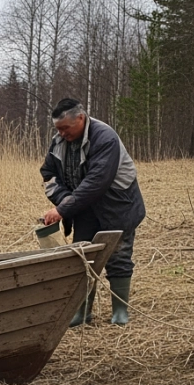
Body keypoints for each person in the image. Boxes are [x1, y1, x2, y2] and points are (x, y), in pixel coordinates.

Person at [41, 98, 146, 326]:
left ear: (81, 118)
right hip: (84, 208)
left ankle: (120, 313)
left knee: (118, 256)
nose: (61, 134)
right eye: (58, 129)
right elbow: (48, 175)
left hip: (118, 205)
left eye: (65, 128)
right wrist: (64, 200)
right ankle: (82, 312)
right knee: (83, 258)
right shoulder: (58, 141)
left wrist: (62, 209)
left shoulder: (105, 138)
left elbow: (96, 183)